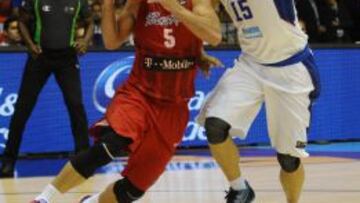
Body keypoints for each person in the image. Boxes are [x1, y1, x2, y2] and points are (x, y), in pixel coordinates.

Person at [31, 0, 221, 202]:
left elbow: (214, 36)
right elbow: (112, 42)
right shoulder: (140, 4)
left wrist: (175, 10)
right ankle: (44, 198)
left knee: (133, 189)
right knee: (109, 145)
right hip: (139, 95)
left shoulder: (198, 2)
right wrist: (107, 6)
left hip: (174, 107)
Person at [197, 0, 321, 203]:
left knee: (288, 159)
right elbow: (204, 12)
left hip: (290, 66)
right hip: (251, 64)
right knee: (214, 125)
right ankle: (240, 189)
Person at [0, 0, 94, 177]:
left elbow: (90, 20)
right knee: (22, 109)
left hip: (67, 57)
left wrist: (86, 40)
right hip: (40, 56)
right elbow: (22, 20)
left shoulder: (78, 1)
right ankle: (8, 161)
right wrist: (29, 44)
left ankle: (83, 160)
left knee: (76, 105)